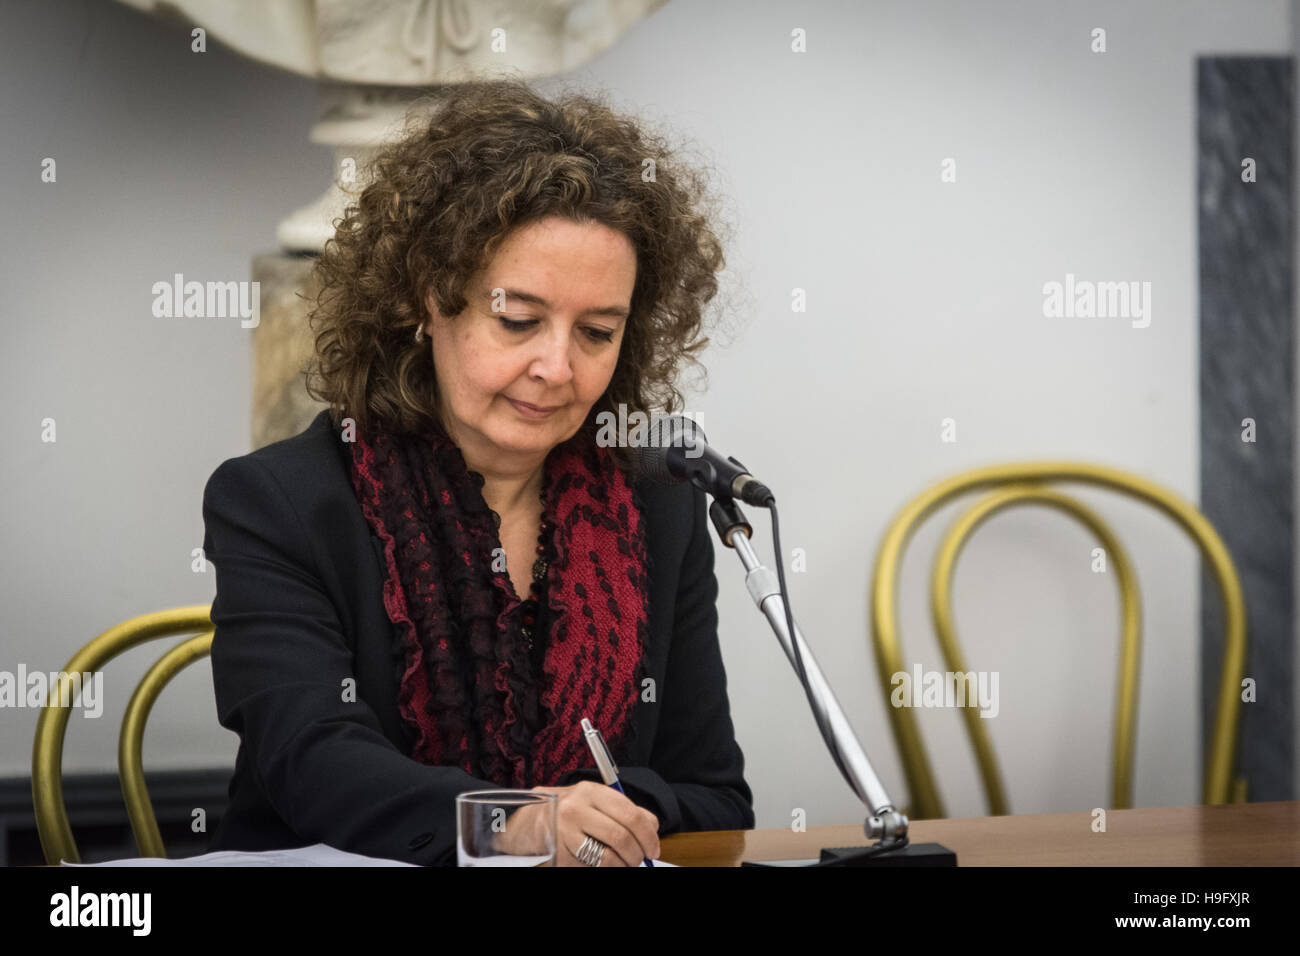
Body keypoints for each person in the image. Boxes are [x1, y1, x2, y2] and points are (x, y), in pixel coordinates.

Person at [201, 77, 755, 866]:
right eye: (518, 320)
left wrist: (599, 815)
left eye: (597, 333)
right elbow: (313, 768)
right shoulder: (281, 502)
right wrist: (513, 823)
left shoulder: (656, 502)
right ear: (429, 299)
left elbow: (714, 797)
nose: (555, 367)